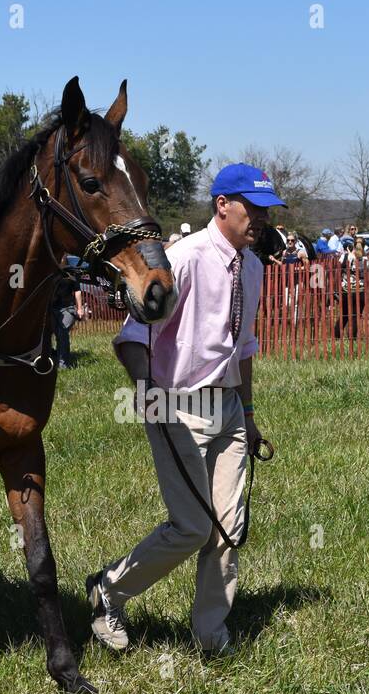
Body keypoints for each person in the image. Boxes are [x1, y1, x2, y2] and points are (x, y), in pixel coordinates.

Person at [91, 162, 280, 657]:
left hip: (230, 409)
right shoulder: (187, 258)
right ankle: (108, 588)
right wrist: (147, 394)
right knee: (193, 527)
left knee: (228, 527)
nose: (261, 219)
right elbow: (132, 337)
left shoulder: (253, 267)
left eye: (266, 210)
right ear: (223, 205)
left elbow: (243, 349)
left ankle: (212, 638)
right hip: (177, 405)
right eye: (252, 208)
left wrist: (250, 413)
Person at [50, 256, 89, 369]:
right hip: (53, 309)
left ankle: (63, 365)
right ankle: (55, 358)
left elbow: (77, 291)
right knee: (56, 335)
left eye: (62, 255)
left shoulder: (71, 273)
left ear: (65, 258)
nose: (59, 257)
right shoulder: (52, 272)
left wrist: (80, 308)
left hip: (68, 308)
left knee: (62, 333)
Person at [337, 236, 368, 339]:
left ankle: (336, 335)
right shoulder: (365, 259)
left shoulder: (344, 257)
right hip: (360, 290)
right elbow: (368, 270)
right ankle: (352, 337)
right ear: (364, 246)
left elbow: (339, 268)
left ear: (353, 245)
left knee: (344, 314)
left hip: (346, 289)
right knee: (356, 315)